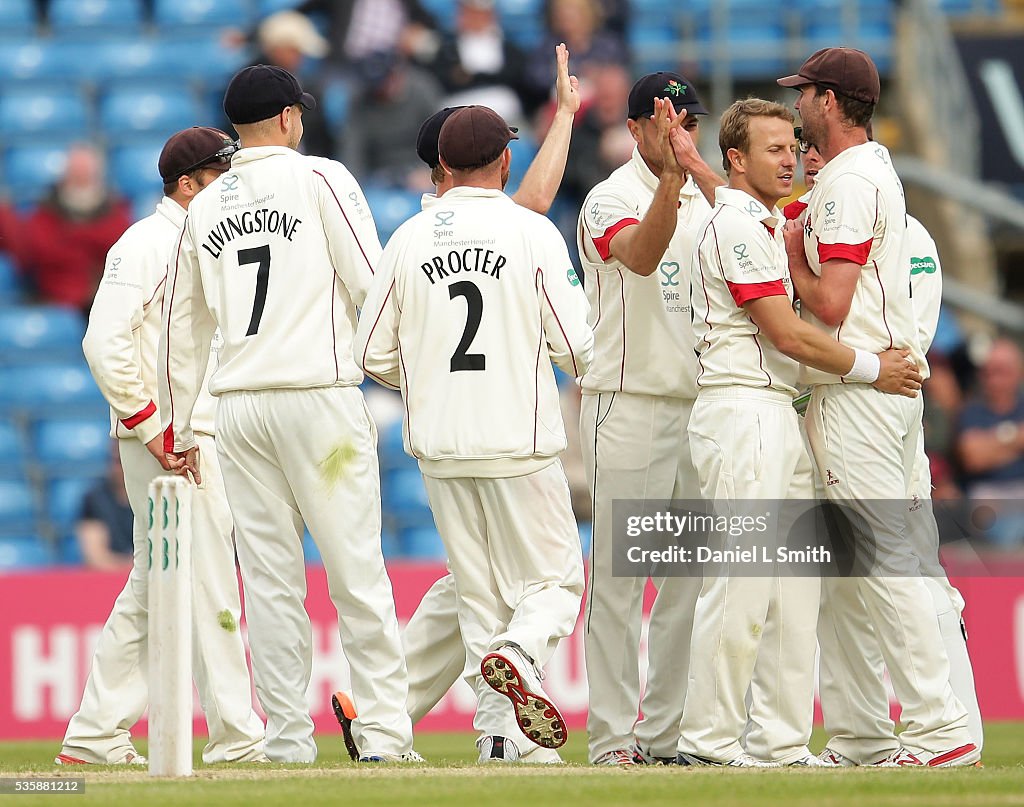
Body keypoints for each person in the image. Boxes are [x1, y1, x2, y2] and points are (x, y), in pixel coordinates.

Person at [155, 65, 416, 764]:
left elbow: (182, 330)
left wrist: (177, 425)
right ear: (289, 119)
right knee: (356, 573)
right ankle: (387, 735)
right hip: (316, 397)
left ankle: (288, 742)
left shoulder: (203, 207)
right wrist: (397, 373)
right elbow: (374, 284)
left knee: (270, 586)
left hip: (238, 408)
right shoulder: (321, 178)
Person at [336, 44, 581, 765]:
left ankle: (502, 739)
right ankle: (520, 651)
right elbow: (574, 344)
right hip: (518, 441)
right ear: (505, 164)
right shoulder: (531, 231)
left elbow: (371, 354)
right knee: (555, 585)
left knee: (477, 596)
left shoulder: (408, 237)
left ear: (441, 166)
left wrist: (435, 384)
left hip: (440, 444)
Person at [675, 98, 921, 768]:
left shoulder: (749, 214)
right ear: (738, 158)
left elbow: (728, 194)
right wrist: (874, 368)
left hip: (774, 411)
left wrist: (692, 161)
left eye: (794, 145)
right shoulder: (740, 224)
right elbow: (784, 332)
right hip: (741, 409)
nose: (791, 159)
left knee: (792, 591)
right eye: (774, 149)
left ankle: (780, 742)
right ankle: (707, 740)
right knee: (744, 582)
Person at [778, 47, 978, 766]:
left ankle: (938, 727)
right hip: (881, 390)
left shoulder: (847, 182)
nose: (798, 107)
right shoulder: (866, 173)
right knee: (855, 571)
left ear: (830, 101)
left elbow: (828, 304)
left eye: (803, 95)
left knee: (884, 563)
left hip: (857, 392)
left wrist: (796, 253)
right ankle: (865, 735)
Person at [58, 127, 267, 766]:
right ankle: (237, 737)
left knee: (159, 584)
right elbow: (103, 342)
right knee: (207, 586)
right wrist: (156, 429)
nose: (231, 186)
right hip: (172, 442)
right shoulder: (147, 244)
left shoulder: (202, 240)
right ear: (186, 184)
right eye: (219, 175)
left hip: (187, 434)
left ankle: (95, 733)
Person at [574, 71, 720, 767]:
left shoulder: (706, 193)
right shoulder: (610, 197)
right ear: (634, 129)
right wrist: (672, 178)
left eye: (688, 123)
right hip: (627, 405)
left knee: (687, 582)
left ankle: (662, 736)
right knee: (619, 581)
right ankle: (610, 740)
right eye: (666, 123)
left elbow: (760, 232)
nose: (679, 135)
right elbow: (639, 257)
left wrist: (697, 173)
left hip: (698, 409)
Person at [13, 144, 132, 313]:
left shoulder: (116, 210)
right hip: (54, 300)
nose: (81, 178)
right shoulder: (45, 211)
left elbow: (122, 251)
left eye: (86, 174)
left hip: (105, 300)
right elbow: (41, 251)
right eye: (76, 174)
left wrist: (71, 238)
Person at [957, 338, 1024, 547]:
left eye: (1002, 371)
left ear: (1018, 373)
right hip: (986, 495)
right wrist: (1014, 438)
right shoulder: (971, 410)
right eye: (988, 372)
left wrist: (991, 444)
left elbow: (981, 451)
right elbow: (973, 457)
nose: (993, 379)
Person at [75, 444, 135, 571]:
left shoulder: (152, 496)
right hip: (110, 579)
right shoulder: (95, 498)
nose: (121, 467)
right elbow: (95, 558)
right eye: (117, 461)